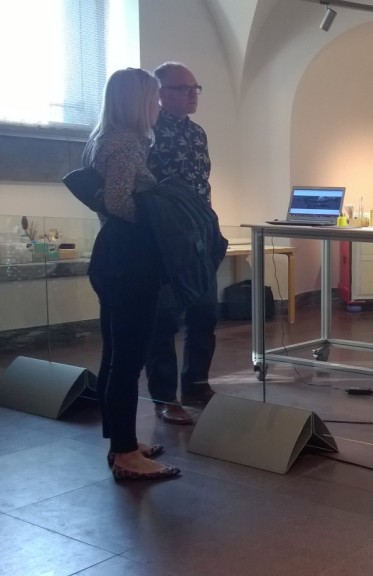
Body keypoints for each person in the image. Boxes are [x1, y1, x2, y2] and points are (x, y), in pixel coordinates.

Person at [85, 68, 180, 481]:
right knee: (127, 360)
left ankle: (120, 441)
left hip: (113, 256)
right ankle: (125, 453)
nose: (159, 105)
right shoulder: (127, 142)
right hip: (129, 259)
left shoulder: (103, 139)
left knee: (115, 356)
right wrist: (159, 219)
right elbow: (118, 200)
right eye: (154, 98)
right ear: (138, 101)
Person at [145, 61, 217, 425]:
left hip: (199, 235)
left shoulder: (198, 132)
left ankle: (197, 385)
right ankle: (163, 397)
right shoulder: (148, 131)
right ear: (159, 93)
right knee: (163, 320)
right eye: (182, 88)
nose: (192, 94)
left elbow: (202, 182)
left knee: (205, 314)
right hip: (165, 239)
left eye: (195, 88)